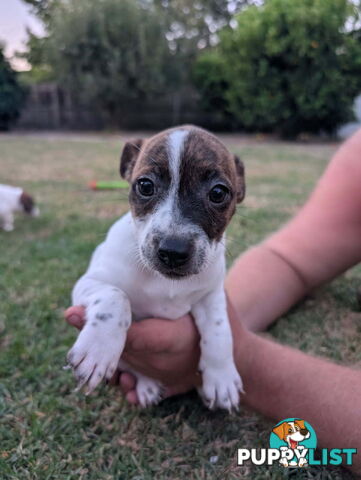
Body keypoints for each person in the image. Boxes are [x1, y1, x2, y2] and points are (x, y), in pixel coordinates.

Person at [65, 129, 361, 474]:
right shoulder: (119, 248)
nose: (173, 233)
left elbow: (210, 296)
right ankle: (143, 372)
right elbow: (90, 286)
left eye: (217, 194)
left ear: (239, 191)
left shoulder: (211, 261)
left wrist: (220, 360)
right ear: (129, 169)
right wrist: (110, 312)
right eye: (147, 188)